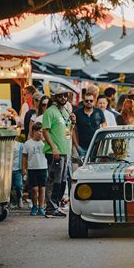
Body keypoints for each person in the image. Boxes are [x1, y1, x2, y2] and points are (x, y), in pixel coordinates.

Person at [42, 87, 76, 218]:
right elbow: (45, 131)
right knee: (53, 180)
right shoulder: (50, 112)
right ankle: (50, 208)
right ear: (55, 97)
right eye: (60, 96)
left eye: (65, 96)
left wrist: (73, 123)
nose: (63, 98)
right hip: (54, 151)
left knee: (61, 182)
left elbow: (68, 132)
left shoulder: (66, 111)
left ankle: (55, 206)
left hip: (64, 150)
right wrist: (53, 148)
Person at [22, 122, 48, 216]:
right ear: (34, 131)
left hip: (43, 167)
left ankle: (41, 207)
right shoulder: (28, 143)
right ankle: (34, 206)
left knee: (42, 188)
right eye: (39, 132)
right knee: (34, 189)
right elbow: (24, 157)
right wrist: (23, 169)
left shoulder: (44, 143)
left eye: (42, 132)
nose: (41, 134)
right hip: (32, 168)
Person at [74, 92, 106, 157]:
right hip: (82, 147)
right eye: (87, 101)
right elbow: (73, 130)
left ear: (94, 102)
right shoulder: (77, 113)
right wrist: (77, 146)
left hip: (96, 146)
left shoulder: (99, 112)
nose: (89, 102)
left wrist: (102, 144)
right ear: (83, 101)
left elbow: (104, 126)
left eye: (91, 101)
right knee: (83, 167)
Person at [11, 137, 24, 209]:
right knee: (9, 187)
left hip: (17, 169)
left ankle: (19, 198)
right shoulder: (5, 144)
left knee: (19, 186)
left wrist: (23, 168)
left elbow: (23, 157)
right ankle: (12, 201)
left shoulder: (20, 145)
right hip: (8, 170)